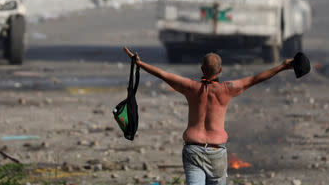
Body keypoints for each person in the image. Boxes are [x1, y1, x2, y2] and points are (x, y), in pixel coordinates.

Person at [123, 47, 294, 185]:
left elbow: (164, 75)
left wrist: (140, 63)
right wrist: (282, 66)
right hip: (216, 151)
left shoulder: (191, 87)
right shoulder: (227, 89)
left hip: (193, 150)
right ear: (220, 70)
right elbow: (255, 79)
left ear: (201, 69)